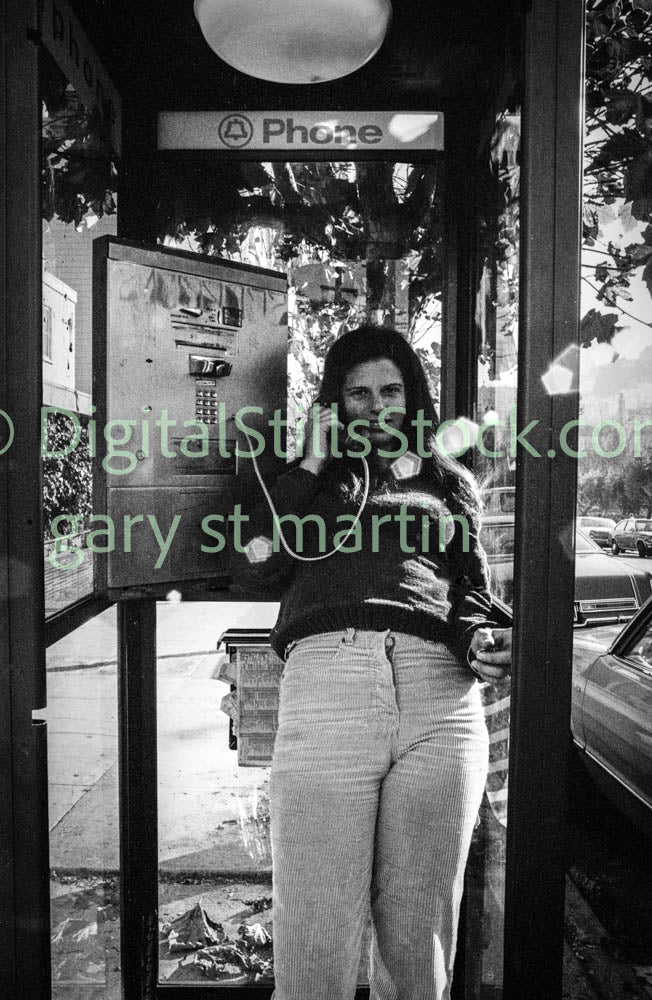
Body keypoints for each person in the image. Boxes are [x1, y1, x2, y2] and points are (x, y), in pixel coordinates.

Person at [233, 325, 511, 1000]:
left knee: (420, 948)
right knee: (316, 946)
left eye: (390, 390)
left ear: (412, 397)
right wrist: (310, 461)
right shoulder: (310, 481)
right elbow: (255, 556)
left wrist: (479, 638)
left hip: (439, 697)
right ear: (335, 403)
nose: (377, 405)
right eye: (358, 393)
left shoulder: (450, 482)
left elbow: (472, 590)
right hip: (330, 680)